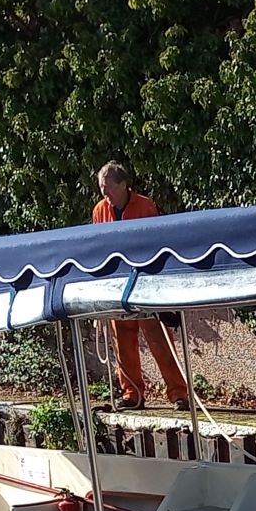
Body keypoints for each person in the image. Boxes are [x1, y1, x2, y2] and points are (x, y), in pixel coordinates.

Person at [91, 161, 189, 409]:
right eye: (102, 187)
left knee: (158, 338)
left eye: (108, 187)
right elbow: (99, 250)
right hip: (117, 285)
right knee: (122, 340)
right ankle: (132, 394)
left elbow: (155, 246)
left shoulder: (145, 207)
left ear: (123, 184)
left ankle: (179, 393)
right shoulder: (99, 211)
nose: (104, 192)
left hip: (145, 283)